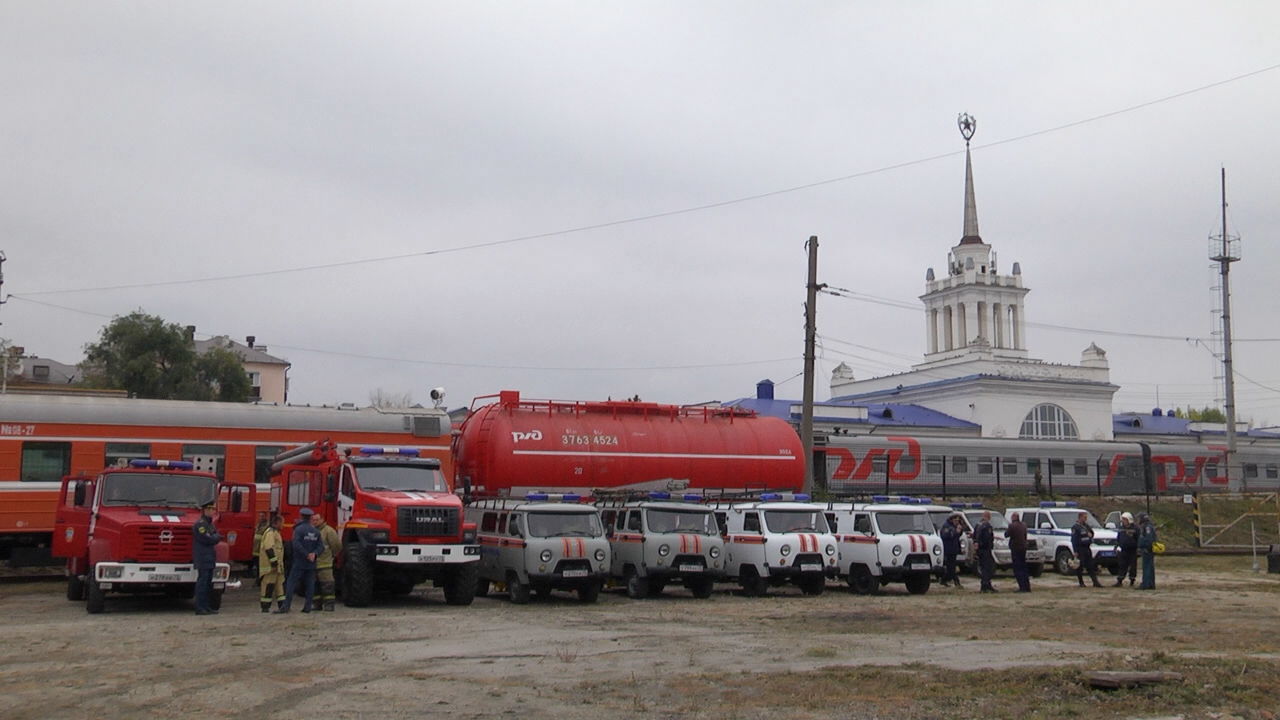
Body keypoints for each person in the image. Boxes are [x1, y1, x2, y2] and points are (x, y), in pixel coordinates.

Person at [277, 508, 323, 613]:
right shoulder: (316, 531)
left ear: (301, 516)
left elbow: (296, 544)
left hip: (299, 562)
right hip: (311, 563)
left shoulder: (298, 530)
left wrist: (306, 554)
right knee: (310, 585)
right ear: (310, 517)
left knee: (291, 582)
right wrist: (314, 554)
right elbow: (321, 547)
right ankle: (307, 607)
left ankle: (286, 606)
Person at [192, 500, 222, 616]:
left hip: (209, 557)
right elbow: (207, 539)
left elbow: (215, 535)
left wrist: (214, 537)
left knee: (208, 583)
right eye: (210, 509)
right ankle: (200, 608)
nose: (212, 512)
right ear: (205, 510)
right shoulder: (200, 524)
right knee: (202, 583)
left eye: (213, 509)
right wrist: (215, 537)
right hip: (203, 557)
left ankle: (207, 606)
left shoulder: (210, 524)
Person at [312, 511, 342, 612]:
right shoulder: (312, 531)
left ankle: (329, 605)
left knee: (327, 585)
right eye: (313, 520)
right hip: (313, 564)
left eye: (317, 520)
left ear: (322, 520)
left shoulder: (329, 531)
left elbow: (337, 545)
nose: (315, 522)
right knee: (315, 586)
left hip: (325, 564)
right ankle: (317, 605)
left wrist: (332, 555)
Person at [258, 514, 287, 612]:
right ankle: (265, 607)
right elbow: (269, 548)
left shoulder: (276, 533)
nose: (283, 525)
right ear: (277, 522)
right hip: (270, 567)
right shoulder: (270, 533)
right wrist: (274, 563)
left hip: (277, 567)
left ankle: (283, 606)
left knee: (280, 586)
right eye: (282, 522)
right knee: (268, 585)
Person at [1071, 511, 1103, 588]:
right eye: (1084, 517)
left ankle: (1095, 582)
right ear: (1080, 517)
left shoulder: (1086, 526)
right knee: (1080, 566)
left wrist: (1090, 535)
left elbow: (1091, 533)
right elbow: (1073, 539)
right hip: (1080, 548)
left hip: (1087, 548)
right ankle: (1081, 582)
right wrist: (1075, 550)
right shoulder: (1076, 527)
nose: (1086, 519)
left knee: (1090, 566)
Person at [1005, 511, 1031, 593]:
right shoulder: (1024, 525)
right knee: (1023, 567)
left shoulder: (1012, 526)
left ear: (1013, 517)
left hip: (1016, 548)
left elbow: (1006, 534)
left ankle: (1022, 587)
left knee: (1017, 568)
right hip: (1023, 548)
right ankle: (1027, 586)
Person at [973, 510, 997, 593]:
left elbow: (974, 537)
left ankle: (985, 585)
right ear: (988, 516)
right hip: (985, 549)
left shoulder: (977, 524)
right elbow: (988, 538)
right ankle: (986, 585)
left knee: (983, 568)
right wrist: (990, 545)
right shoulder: (987, 526)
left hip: (979, 549)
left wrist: (976, 545)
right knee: (989, 568)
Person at [938, 513, 963, 588]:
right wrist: (956, 532)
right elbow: (946, 536)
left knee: (950, 568)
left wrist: (960, 531)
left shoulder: (953, 526)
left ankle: (943, 580)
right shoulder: (946, 526)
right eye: (956, 520)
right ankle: (957, 582)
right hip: (948, 550)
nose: (957, 522)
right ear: (952, 519)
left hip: (953, 549)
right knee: (951, 567)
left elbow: (957, 536)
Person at [1114, 511, 1139, 587]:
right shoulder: (1121, 528)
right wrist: (1116, 546)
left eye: (1125, 519)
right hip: (1123, 550)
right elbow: (1118, 538)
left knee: (1132, 566)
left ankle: (1132, 580)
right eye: (1123, 519)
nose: (1124, 521)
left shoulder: (1135, 529)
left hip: (1132, 550)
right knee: (1122, 565)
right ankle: (1120, 580)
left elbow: (1138, 539)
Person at [1137, 512, 1158, 590]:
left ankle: (1146, 583)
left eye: (1139, 518)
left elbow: (1149, 539)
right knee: (1149, 566)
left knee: (1147, 567)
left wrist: (1145, 546)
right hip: (1147, 549)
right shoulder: (1146, 526)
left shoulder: (1147, 527)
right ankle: (1150, 583)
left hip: (1147, 550)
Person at [249, 511, 269, 580]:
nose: (261, 517)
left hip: (261, 550)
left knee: (261, 566)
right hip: (255, 550)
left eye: (262, 516)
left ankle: (260, 580)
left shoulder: (267, 526)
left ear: (265, 517)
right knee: (257, 566)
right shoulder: (258, 525)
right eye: (260, 516)